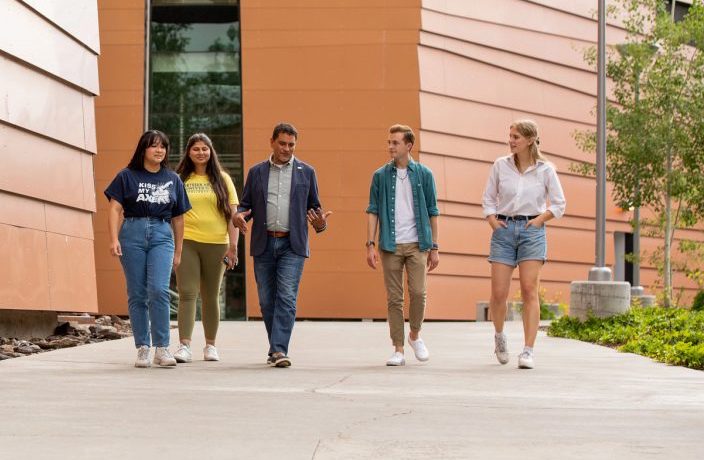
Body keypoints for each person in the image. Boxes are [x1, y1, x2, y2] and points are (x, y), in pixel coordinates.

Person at [233, 122, 331, 368]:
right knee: (267, 300)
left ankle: (278, 349)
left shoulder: (306, 172)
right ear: (272, 142)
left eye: (291, 145)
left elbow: (315, 210)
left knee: (286, 296)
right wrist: (239, 216)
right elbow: (246, 206)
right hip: (264, 242)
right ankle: (276, 348)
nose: (287, 149)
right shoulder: (256, 172)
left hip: (292, 244)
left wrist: (320, 224)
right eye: (283, 144)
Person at [482, 119, 566, 369]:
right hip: (504, 231)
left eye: (516, 136)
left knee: (530, 291)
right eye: (510, 135)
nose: (511, 141)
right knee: (498, 294)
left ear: (530, 140)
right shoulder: (500, 165)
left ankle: (528, 351)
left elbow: (559, 204)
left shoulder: (546, 169)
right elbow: (488, 198)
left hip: (532, 231)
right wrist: (493, 222)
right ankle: (499, 337)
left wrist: (540, 220)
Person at [105, 130, 191, 368]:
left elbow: (179, 219)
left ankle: (162, 348)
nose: (159, 150)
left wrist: (178, 250)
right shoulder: (126, 176)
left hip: (162, 235)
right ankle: (143, 347)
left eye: (163, 146)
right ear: (143, 149)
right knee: (137, 293)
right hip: (131, 232)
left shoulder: (173, 179)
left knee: (158, 290)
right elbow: (114, 209)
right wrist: (114, 239)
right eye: (154, 146)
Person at [366, 124, 440, 366]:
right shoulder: (379, 176)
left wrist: (435, 246)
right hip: (390, 244)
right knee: (394, 299)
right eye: (389, 142)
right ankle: (398, 348)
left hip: (418, 244)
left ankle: (415, 335)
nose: (390, 146)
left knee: (418, 293)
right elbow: (373, 211)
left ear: (408, 145)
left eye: (395, 143)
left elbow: (432, 211)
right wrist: (370, 244)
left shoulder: (425, 175)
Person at [171, 133, 240, 363]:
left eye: (205, 149)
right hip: (187, 241)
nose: (201, 152)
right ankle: (185, 346)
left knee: (210, 295)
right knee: (188, 294)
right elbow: (172, 214)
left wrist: (233, 247)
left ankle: (210, 345)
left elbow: (233, 216)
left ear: (211, 152)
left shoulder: (223, 179)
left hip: (218, 244)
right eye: (196, 149)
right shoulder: (179, 178)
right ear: (188, 153)